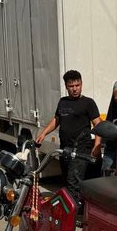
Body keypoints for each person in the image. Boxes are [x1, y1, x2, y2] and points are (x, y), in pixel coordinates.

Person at [35, 70, 102, 203]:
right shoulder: (62, 102)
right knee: (66, 180)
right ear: (66, 86)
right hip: (65, 148)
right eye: (71, 86)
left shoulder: (88, 103)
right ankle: (76, 207)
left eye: (77, 85)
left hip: (81, 150)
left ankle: (74, 213)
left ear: (81, 84)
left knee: (73, 183)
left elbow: (98, 125)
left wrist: (97, 146)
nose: (75, 89)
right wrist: (43, 133)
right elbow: (56, 120)